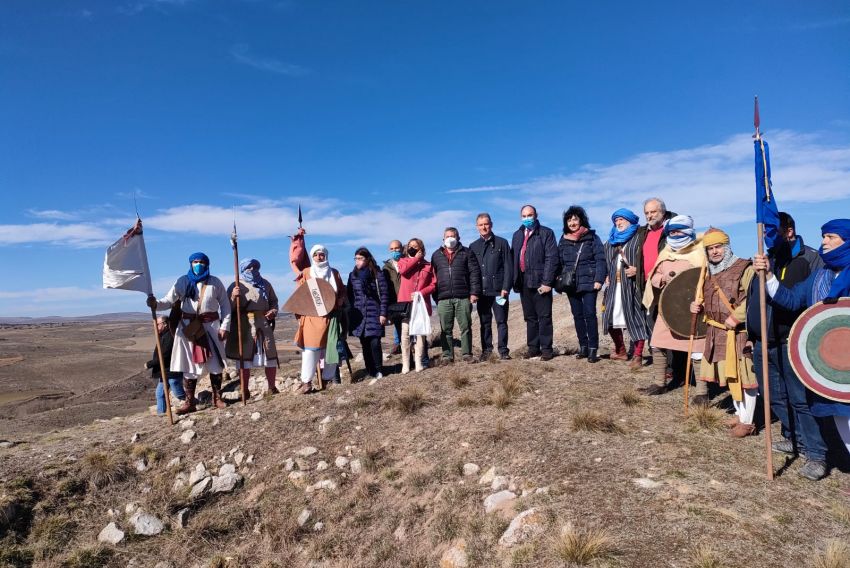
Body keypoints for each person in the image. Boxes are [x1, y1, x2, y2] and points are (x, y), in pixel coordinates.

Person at [754, 218, 850, 479]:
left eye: (831, 237)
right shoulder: (821, 275)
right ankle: (827, 456)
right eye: (824, 237)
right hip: (826, 361)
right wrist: (770, 275)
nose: (824, 242)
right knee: (835, 415)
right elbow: (792, 298)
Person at [746, 212, 828, 480]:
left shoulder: (810, 259)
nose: (767, 238)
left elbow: (810, 299)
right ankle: (793, 437)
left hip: (790, 341)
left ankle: (816, 453)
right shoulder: (766, 258)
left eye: (773, 232)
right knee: (773, 396)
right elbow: (752, 299)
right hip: (762, 342)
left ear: (789, 231)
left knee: (800, 400)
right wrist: (751, 332)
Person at [689, 229, 758, 436]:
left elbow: (754, 297)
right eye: (710, 249)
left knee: (745, 377)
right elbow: (709, 299)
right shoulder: (709, 272)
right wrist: (697, 307)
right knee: (730, 376)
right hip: (717, 331)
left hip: (739, 332)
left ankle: (748, 421)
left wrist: (737, 316)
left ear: (726, 247)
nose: (714, 252)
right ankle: (739, 413)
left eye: (718, 247)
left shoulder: (745, 268)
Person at [146, 252, 231, 415]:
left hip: (211, 327)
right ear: (190, 263)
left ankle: (216, 398)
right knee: (189, 367)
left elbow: (226, 306)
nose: (198, 265)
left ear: (207, 264)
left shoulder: (215, 282)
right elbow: (168, 300)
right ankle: (190, 402)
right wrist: (155, 304)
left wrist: (224, 327)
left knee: (215, 365)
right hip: (188, 328)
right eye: (195, 262)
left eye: (201, 262)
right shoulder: (182, 281)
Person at [641, 216, 706, 396]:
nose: (674, 235)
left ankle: (702, 392)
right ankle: (659, 383)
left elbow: (707, 282)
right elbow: (653, 276)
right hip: (668, 308)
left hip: (694, 310)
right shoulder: (666, 253)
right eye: (671, 232)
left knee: (697, 351)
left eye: (678, 231)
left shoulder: (700, 253)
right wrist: (662, 279)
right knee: (657, 344)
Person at [293, 244, 346, 394]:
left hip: (331, 316)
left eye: (321, 254)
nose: (319, 257)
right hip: (312, 316)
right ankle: (307, 382)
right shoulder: (307, 272)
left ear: (326, 255)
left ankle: (328, 379)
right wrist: (300, 315)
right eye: (316, 255)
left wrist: (341, 299)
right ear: (312, 256)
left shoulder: (334, 273)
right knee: (310, 351)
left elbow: (342, 291)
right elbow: (300, 294)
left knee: (331, 349)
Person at [601, 208, 650, 369]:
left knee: (635, 318)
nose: (618, 223)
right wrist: (604, 275)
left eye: (621, 219)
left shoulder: (640, 238)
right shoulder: (610, 242)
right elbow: (603, 262)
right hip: (614, 286)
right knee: (609, 317)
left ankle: (638, 355)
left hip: (632, 285)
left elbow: (649, 259)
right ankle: (621, 350)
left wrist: (639, 270)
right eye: (616, 220)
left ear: (630, 221)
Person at [226, 258, 281, 398]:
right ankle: (244, 390)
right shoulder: (235, 285)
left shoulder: (265, 284)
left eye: (255, 267)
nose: (252, 270)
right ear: (243, 269)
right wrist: (233, 296)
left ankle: (271, 387)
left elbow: (274, 301)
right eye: (249, 267)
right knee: (244, 357)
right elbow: (227, 307)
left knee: (270, 355)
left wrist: (273, 311)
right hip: (245, 324)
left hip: (263, 323)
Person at [558, 206, 606, 363]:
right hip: (571, 284)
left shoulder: (592, 237)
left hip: (590, 283)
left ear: (581, 220)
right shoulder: (563, 239)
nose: (572, 222)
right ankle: (583, 347)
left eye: (575, 219)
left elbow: (600, 259)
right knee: (577, 316)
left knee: (590, 315)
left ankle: (593, 348)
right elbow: (559, 262)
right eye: (569, 219)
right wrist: (557, 282)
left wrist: (599, 279)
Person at [511, 205, 559, 360]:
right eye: (524, 216)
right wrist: (515, 281)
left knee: (544, 316)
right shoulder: (517, 235)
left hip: (540, 282)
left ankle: (546, 349)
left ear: (536, 215)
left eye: (530, 215)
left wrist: (547, 282)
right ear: (520, 217)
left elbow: (551, 259)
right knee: (530, 317)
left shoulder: (546, 233)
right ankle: (533, 348)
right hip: (524, 281)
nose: (527, 218)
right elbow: (515, 258)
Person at [635, 197, 676, 368]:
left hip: (668, 286)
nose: (650, 216)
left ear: (663, 212)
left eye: (653, 212)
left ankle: (674, 367)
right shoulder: (642, 233)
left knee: (670, 325)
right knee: (652, 323)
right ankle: (662, 364)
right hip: (648, 285)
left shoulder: (673, 230)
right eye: (647, 213)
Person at [431, 227, 482, 364]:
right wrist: (437, 297)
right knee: (445, 329)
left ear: (458, 238)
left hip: (463, 297)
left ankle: (467, 354)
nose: (450, 239)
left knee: (465, 327)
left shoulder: (467, 252)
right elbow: (433, 277)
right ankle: (447, 356)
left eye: (453, 236)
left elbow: (474, 273)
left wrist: (473, 293)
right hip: (443, 298)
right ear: (443, 239)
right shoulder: (436, 255)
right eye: (447, 236)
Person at [469, 213, 513, 361]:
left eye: (486, 224)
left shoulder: (502, 243)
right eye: (481, 225)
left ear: (491, 224)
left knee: (501, 321)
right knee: (485, 323)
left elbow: (508, 266)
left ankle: (503, 351)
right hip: (482, 292)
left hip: (499, 291)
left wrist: (506, 287)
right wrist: (473, 291)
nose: (484, 227)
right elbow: (472, 271)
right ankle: (486, 351)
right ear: (477, 227)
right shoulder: (473, 246)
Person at [347, 247, 389, 379]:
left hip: (374, 313)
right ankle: (370, 370)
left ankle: (379, 369)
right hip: (359, 315)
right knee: (365, 344)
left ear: (367, 259)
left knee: (375, 343)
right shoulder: (353, 275)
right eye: (356, 259)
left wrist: (383, 313)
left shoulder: (377, 274)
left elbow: (384, 295)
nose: (357, 261)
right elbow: (350, 295)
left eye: (360, 258)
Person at [397, 238, 437, 373]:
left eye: (415, 246)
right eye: (410, 246)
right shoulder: (403, 262)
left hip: (421, 303)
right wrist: (415, 259)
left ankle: (419, 361)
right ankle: (406, 363)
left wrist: (421, 292)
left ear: (422, 249)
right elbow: (403, 271)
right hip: (406, 303)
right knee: (405, 333)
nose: (412, 248)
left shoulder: (428, 265)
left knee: (420, 333)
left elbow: (433, 284)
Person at [145, 316, 186, 416]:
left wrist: (150, 364)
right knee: (160, 393)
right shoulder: (163, 335)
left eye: (158, 324)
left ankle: (192, 402)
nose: (156, 326)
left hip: (172, 371)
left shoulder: (170, 336)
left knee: (178, 393)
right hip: (165, 371)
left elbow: (164, 355)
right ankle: (161, 414)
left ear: (165, 324)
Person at [383, 240, 404, 355]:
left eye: (396, 248)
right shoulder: (386, 268)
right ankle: (398, 344)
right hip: (394, 300)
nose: (394, 251)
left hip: (406, 300)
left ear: (401, 248)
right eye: (392, 249)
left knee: (408, 324)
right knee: (397, 323)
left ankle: (410, 345)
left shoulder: (407, 262)